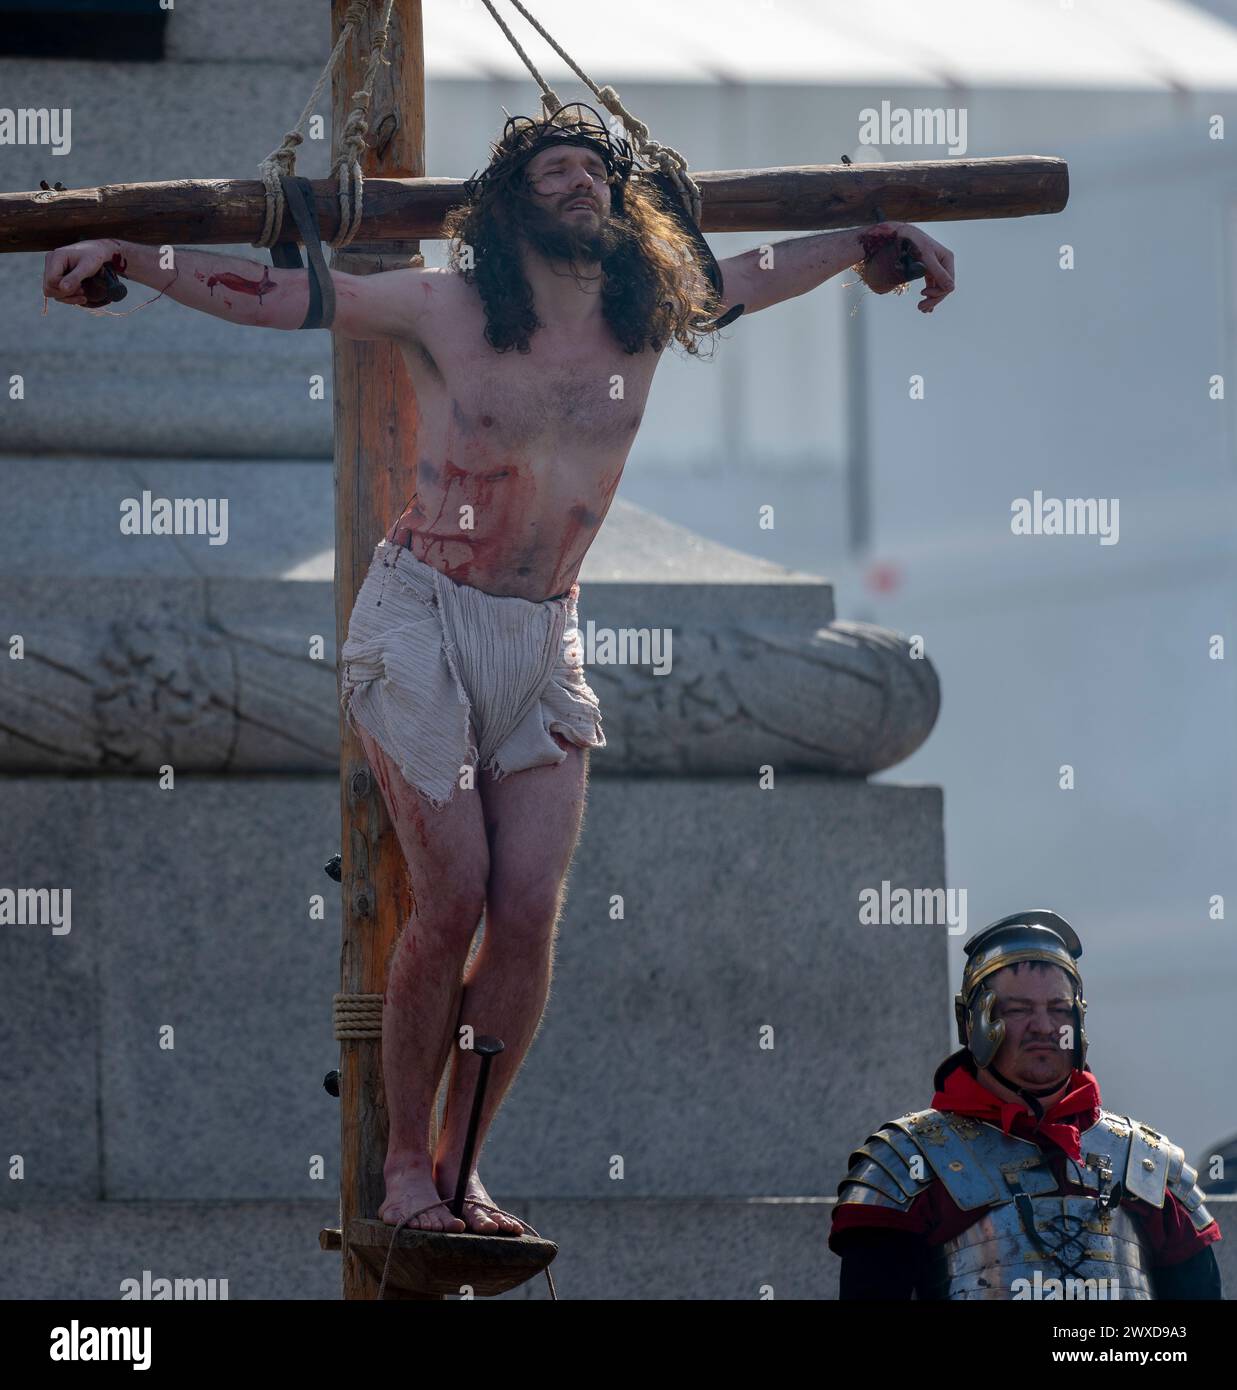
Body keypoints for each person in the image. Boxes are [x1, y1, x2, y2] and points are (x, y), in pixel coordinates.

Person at [42, 104, 956, 1236]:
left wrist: (873, 237)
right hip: (422, 613)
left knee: (525, 913)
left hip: (542, 632)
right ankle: (408, 1172)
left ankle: (467, 1165)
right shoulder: (447, 306)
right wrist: (134, 256)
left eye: (596, 173)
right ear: (510, 208)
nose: (581, 186)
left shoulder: (648, 310)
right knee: (454, 897)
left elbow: (762, 271)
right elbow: (282, 295)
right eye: (556, 172)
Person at [829, 910, 1223, 1299]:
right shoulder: (909, 1163)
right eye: (1018, 1010)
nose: (1044, 1027)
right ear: (973, 1022)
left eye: (1058, 1008)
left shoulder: (1145, 1163)